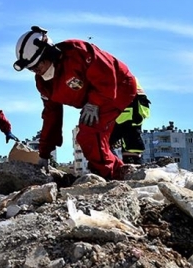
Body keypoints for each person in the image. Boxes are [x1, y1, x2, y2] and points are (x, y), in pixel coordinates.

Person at [13, 26, 150, 180]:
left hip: (119, 88)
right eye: (30, 68)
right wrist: (44, 153)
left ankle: (112, 175)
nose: (35, 70)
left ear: (49, 53)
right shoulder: (44, 84)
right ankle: (118, 173)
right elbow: (51, 116)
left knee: (90, 134)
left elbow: (106, 74)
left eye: (37, 65)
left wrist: (94, 103)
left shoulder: (77, 53)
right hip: (96, 99)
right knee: (89, 140)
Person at [110, 85, 151, 165]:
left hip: (129, 114)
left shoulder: (116, 75)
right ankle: (124, 166)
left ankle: (121, 166)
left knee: (103, 143)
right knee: (131, 145)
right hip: (133, 113)